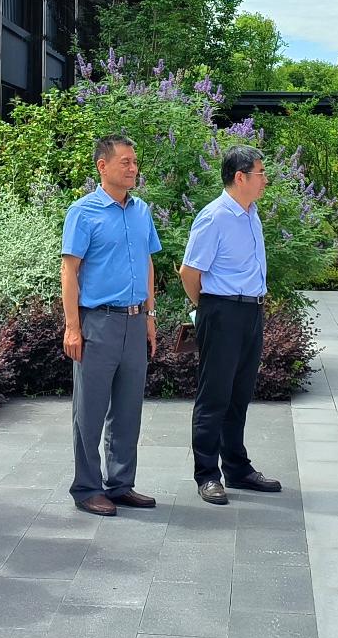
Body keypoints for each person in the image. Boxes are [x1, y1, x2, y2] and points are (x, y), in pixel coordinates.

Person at [62, 135, 161, 517]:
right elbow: (69, 270)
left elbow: (148, 263)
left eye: (135, 162)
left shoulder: (142, 211)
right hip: (97, 322)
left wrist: (151, 316)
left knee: (127, 408)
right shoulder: (83, 212)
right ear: (102, 166)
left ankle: (121, 483)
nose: (133, 168)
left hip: (135, 322)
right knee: (89, 410)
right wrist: (73, 326)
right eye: (125, 162)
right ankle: (87, 488)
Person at [179, 146, 282, 505]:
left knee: (239, 394)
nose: (265, 180)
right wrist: (208, 310)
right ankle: (207, 474)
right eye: (260, 173)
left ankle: (237, 468)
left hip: (251, 313)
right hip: (221, 312)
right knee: (214, 396)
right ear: (240, 177)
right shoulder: (214, 217)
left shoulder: (250, 213)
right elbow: (189, 273)